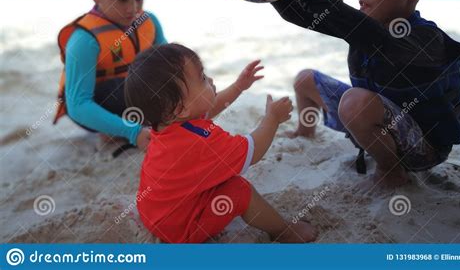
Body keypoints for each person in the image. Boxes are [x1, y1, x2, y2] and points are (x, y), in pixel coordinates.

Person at [248, 0, 460, 187]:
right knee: (305, 79)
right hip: (368, 123)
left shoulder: (427, 40)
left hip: (422, 146)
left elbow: (372, 37)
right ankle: (305, 132)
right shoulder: (361, 26)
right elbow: (311, 16)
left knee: (355, 102)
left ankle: (391, 170)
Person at [124, 43, 317, 243]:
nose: (211, 80)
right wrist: (273, 119)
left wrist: (238, 86)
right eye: (202, 78)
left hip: (155, 213)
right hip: (180, 230)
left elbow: (208, 107)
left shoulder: (167, 126)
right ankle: (283, 231)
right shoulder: (199, 142)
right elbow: (253, 150)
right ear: (180, 109)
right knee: (239, 189)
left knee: (219, 177)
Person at [53, 0, 167, 151]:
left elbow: (170, 67)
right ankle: (114, 131)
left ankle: (131, 127)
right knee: (121, 90)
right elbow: (78, 105)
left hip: (133, 96)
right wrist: (132, 131)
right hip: (96, 102)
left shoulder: (149, 22)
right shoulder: (85, 39)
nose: (132, 9)